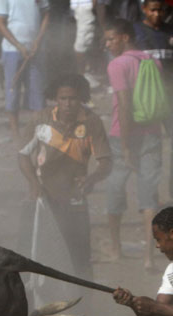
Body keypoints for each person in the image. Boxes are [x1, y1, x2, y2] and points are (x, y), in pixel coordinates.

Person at [18, 73, 111, 281]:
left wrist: (92, 179)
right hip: (42, 197)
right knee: (35, 254)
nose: (68, 104)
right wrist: (34, 184)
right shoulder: (41, 119)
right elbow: (23, 155)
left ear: (81, 98)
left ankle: (85, 304)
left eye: (73, 99)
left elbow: (106, 162)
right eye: (63, 98)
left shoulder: (91, 122)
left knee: (79, 257)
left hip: (75, 198)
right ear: (55, 98)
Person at [104, 18, 163, 270]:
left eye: (110, 39)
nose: (107, 44)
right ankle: (149, 257)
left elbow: (125, 105)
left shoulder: (118, 64)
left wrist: (126, 146)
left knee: (114, 190)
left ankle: (116, 249)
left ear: (125, 37)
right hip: (152, 132)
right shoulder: (153, 60)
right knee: (148, 196)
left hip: (123, 135)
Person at [134, 0, 173, 206]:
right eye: (153, 10)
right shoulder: (136, 33)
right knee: (151, 146)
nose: (157, 14)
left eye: (160, 10)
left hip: (170, 97)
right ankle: (150, 195)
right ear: (144, 10)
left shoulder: (172, 32)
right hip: (147, 100)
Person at [0, 0, 50, 140]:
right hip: (12, 50)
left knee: (37, 93)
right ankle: (16, 136)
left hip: (35, 50)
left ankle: (39, 134)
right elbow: (0, 22)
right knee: (12, 92)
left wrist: (38, 40)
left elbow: (46, 14)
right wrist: (19, 46)